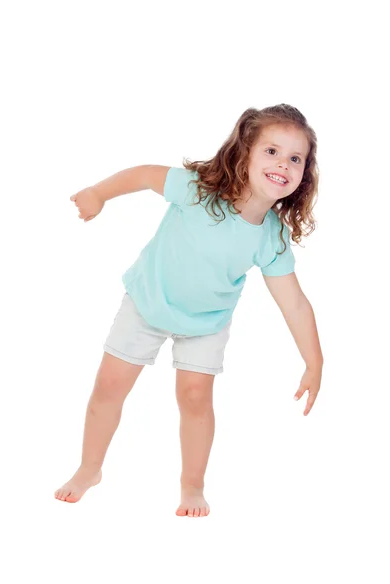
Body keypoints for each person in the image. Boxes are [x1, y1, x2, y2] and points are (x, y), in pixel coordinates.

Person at [54, 103, 324, 516]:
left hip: (205, 324)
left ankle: (192, 486)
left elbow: (295, 304)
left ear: (304, 173)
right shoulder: (198, 190)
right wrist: (98, 193)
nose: (282, 164)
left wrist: (314, 360)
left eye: (295, 158)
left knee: (195, 398)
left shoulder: (270, 238)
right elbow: (145, 175)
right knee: (109, 387)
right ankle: (89, 468)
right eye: (271, 151)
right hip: (148, 302)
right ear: (245, 152)